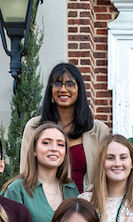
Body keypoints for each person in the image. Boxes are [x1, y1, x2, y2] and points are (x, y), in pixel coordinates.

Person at [21, 62, 111, 193]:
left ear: (79, 89)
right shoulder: (34, 126)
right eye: (57, 84)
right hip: (44, 203)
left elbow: (104, 176)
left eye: (70, 84)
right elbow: (25, 170)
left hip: (87, 205)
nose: (63, 89)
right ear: (50, 90)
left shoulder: (98, 130)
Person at [4, 122, 80, 222]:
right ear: (34, 150)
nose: (54, 149)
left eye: (60, 144)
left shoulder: (71, 189)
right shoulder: (17, 189)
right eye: (46, 143)